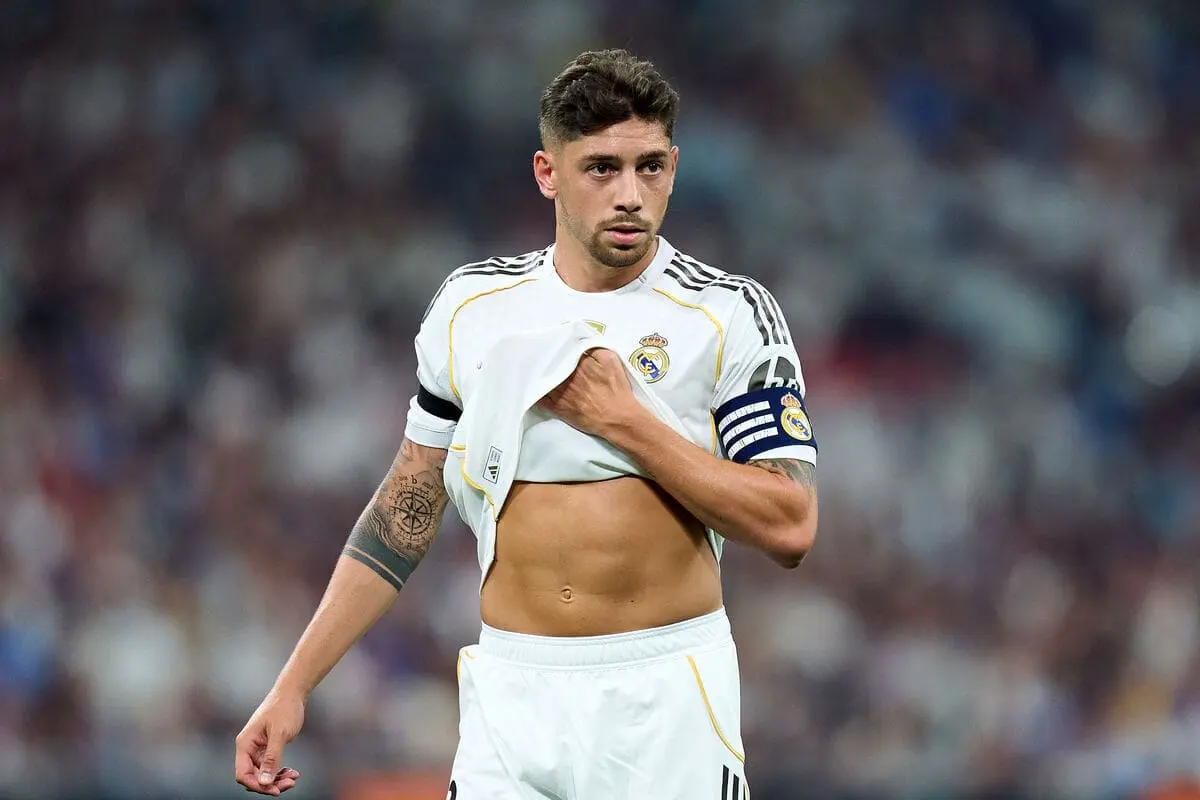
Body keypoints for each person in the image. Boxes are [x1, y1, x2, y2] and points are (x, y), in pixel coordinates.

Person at [234, 48, 819, 799]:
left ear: (674, 165)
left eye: (650, 167)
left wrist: (628, 423)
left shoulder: (728, 313)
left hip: (662, 696)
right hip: (512, 695)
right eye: (601, 168)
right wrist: (294, 685)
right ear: (548, 174)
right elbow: (406, 508)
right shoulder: (471, 309)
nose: (631, 195)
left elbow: (791, 522)